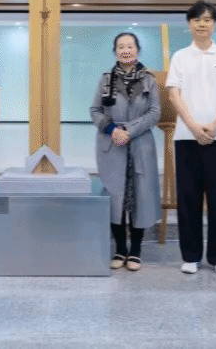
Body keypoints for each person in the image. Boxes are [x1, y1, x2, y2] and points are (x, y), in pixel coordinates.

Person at [167, 0, 216, 276]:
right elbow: (173, 93)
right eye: (197, 20)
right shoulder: (180, 57)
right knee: (188, 200)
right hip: (186, 138)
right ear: (189, 24)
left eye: (208, 19)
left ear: (214, 24)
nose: (202, 24)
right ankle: (191, 256)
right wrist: (194, 127)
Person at [89, 32, 161, 272]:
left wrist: (129, 131)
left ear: (137, 50)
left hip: (140, 143)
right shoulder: (105, 79)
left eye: (130, 46)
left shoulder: (149, 79)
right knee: (115, 197)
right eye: (121, 47)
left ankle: (136, 250)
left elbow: (154, 113)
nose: (126, 50)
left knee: (140, 196)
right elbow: (95, 110)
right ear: (115, 51)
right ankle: (120, 248)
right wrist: (113, 129)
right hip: (112, 145)